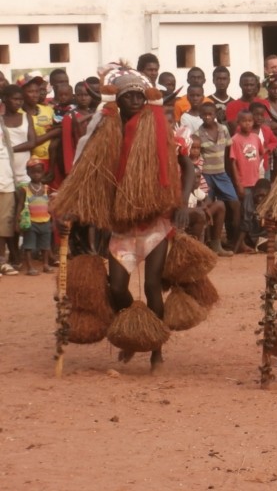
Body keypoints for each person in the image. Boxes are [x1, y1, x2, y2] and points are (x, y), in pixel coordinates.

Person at [54, 65, 195, 371]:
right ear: (118, 100)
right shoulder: (107, 133)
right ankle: (134, 330)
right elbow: (87, 174)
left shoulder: (161, 129)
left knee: (153, 286)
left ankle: (156, 350)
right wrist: (71, 209)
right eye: (127, 94)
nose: (133, 99)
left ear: (146, 99)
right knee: (117, 288)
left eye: (138, 95)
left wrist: (182, 203)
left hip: (156, 223)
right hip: (122, 226)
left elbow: (188, 167)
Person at [198, 102, 241, 249]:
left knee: (234, 203)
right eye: (204, 114)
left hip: (222, 174)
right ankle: (209, 242)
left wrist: (233, 176)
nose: (208, 117)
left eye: (210, 114)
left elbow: (229, 153)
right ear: (200, 116)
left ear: (215, 115)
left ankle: (234, 241)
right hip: (206, 176)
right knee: (208, 207)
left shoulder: (223, 129)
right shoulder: (198, 134)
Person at [230, 110, 265, 253]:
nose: (247, 123)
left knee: (251, 213)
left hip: (255, 182)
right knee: (246, 213)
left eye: (250, 121)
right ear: (238, 123)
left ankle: (245, 243)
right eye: (244, 121)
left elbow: (261, 153)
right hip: (244, 183)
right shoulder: (235, 140)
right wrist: (238, 183)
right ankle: (238, 245)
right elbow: (233, 163)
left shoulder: (255, 138)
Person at [15, 159, 53, 275]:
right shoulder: (25, 189)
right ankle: (30, 267)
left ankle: (46, 264)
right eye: (33, 172)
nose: (36, 175)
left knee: (46, 245)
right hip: (31, 222)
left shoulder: (46, 188)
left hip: (45, 221)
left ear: (43, 173)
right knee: (29, 246)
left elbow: (50, 205)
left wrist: (52, 219)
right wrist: (17, 220)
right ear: (28, 173)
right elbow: (20, 204)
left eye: (39, 172)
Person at [185, 166, 230, 255]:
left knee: (219, 205)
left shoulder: (196, 190)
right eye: (194, 177)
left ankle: (215, 245)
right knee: (199, 213)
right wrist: (202, 209)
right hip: (184, 224)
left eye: (198, 177)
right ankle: (195, 249)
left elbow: (208, 199)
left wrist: (204, 207)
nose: (197, 180)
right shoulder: (183, 191)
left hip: (197, 218)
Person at [20, 74, 59, 173]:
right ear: (21, 93)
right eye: (30, 91)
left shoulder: (48, 110)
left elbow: (57, 131)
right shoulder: (19, 114)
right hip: (30, 164)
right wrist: (53, 133)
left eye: (37, 91)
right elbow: (30, 142)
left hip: (53, 161)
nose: (35, 95)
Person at [3, 84, 37, 185]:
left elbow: (32, 143)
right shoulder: (1, 119)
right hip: (5, 172)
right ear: (4, 99)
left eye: (21, 99)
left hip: (25, 172)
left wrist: (9, 150)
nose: (19, 102)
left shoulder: (27, 117)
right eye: (15, 99)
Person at [0, 105, 20, 275]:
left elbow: (9, 155)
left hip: (6, 181)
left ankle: (2, 262)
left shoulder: (2, 127)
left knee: (4, 225)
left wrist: (13, 179)